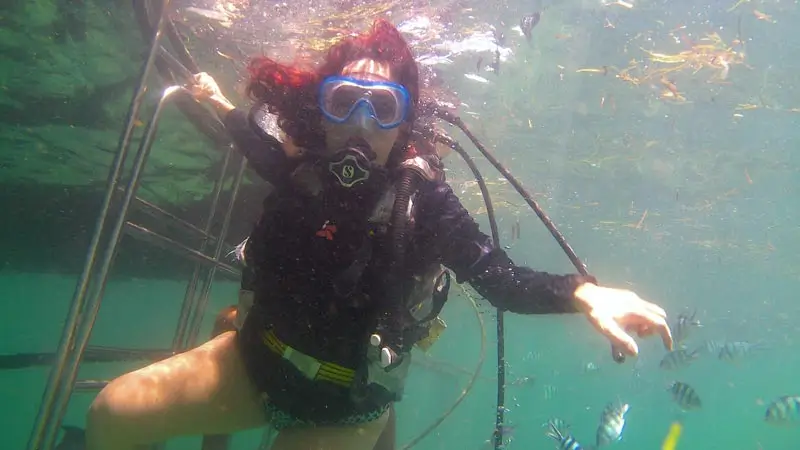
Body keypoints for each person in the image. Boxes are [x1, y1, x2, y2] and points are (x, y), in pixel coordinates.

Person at [85, 19, 673, 450]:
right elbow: (254, 142)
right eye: (345, 103)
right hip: (257, 364)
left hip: (345, 405)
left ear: (405, 121)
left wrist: (583, 292)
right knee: (114, 412)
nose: (362, 126)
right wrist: (216, 101)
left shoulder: (425, 203)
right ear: (322, 110)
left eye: (383, 109)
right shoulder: (301, 170)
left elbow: (501, 279)